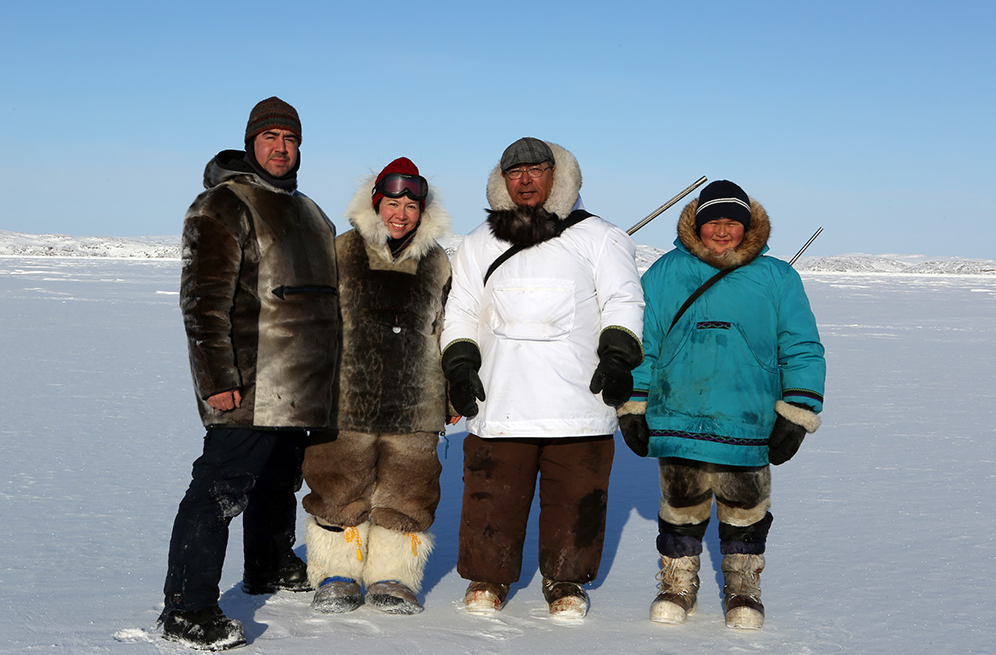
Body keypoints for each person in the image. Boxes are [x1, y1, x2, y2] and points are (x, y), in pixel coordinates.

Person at [160, 97, 340, 651]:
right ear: (251, 143)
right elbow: (203, 302)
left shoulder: (312, 211)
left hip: (303, 386)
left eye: (290, 139)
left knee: (278, 480)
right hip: (248, 381)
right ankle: (187, 608)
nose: (281, 148)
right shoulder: (223, 205)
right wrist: (216, 375)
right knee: (220, 489)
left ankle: (268, 564)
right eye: (270, 138)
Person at [441, 137, 644, 620]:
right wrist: (460, 362)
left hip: (579, 395)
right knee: (494, 492)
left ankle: (565, 578)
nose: (526, 180)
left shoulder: (601, 236)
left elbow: (624, 299)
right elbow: (461, 308)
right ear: (502, 181)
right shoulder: (478, 242)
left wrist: (617, 353)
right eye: (515, 173)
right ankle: (488, 576)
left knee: (575, 494)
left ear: (559, 175)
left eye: (536, 170)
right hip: (502, 392)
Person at [617, 180, 826, 630]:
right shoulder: (665, 273)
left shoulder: (777, 277)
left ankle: (743, 588)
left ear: (748, 228)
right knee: (681, 506)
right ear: (697, 223)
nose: (723, 230)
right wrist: (633, 403)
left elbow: (802, 346)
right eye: (714, 220)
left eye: (733, 222)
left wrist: (798, 409)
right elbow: (642, 342)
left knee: (745, 511)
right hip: (677, 414)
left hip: (748, 418)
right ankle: (677, 582)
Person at [301, 157, 451, 615]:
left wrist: (448, 390)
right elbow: (316, 324)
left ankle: (394, 577)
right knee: (338, 485)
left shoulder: (437, 261)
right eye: (392, 203)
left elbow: (446, 327)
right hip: (346, 397)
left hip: (416, 400)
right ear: (376, 204)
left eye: (410, 205)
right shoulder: (340, 250)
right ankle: (336, 572)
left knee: (409, 490)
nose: (401, 213)